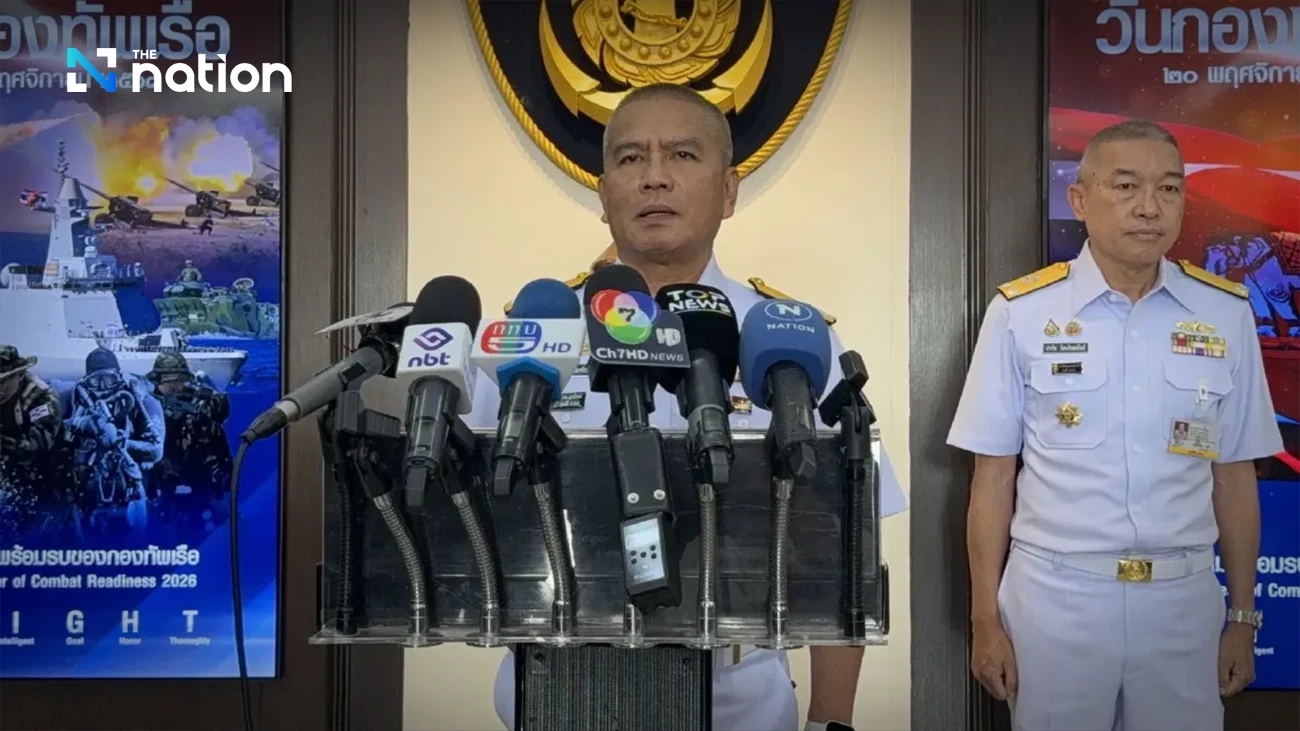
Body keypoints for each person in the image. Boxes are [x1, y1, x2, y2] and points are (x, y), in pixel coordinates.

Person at [466, 83, 908, 731]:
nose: (654, 177)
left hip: (737, 698)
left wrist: (830, 720)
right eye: (631, 158)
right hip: (554, 687)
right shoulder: (531, 338)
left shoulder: (790, 337)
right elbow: (472, 519)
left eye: (681, 155)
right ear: (603, 194)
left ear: (728, 191)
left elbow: (839, 545)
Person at [948, 119, 1283, 731]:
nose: (1149, 207)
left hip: (1182, 604)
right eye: (1126, 186)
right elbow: (992, 479)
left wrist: (1242, 616)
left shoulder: (1225, 314)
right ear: (1079, 199)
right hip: (1057, 600)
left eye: (1169, 189)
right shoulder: (1022, 314)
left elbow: (1235, 477)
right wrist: (985, 620)